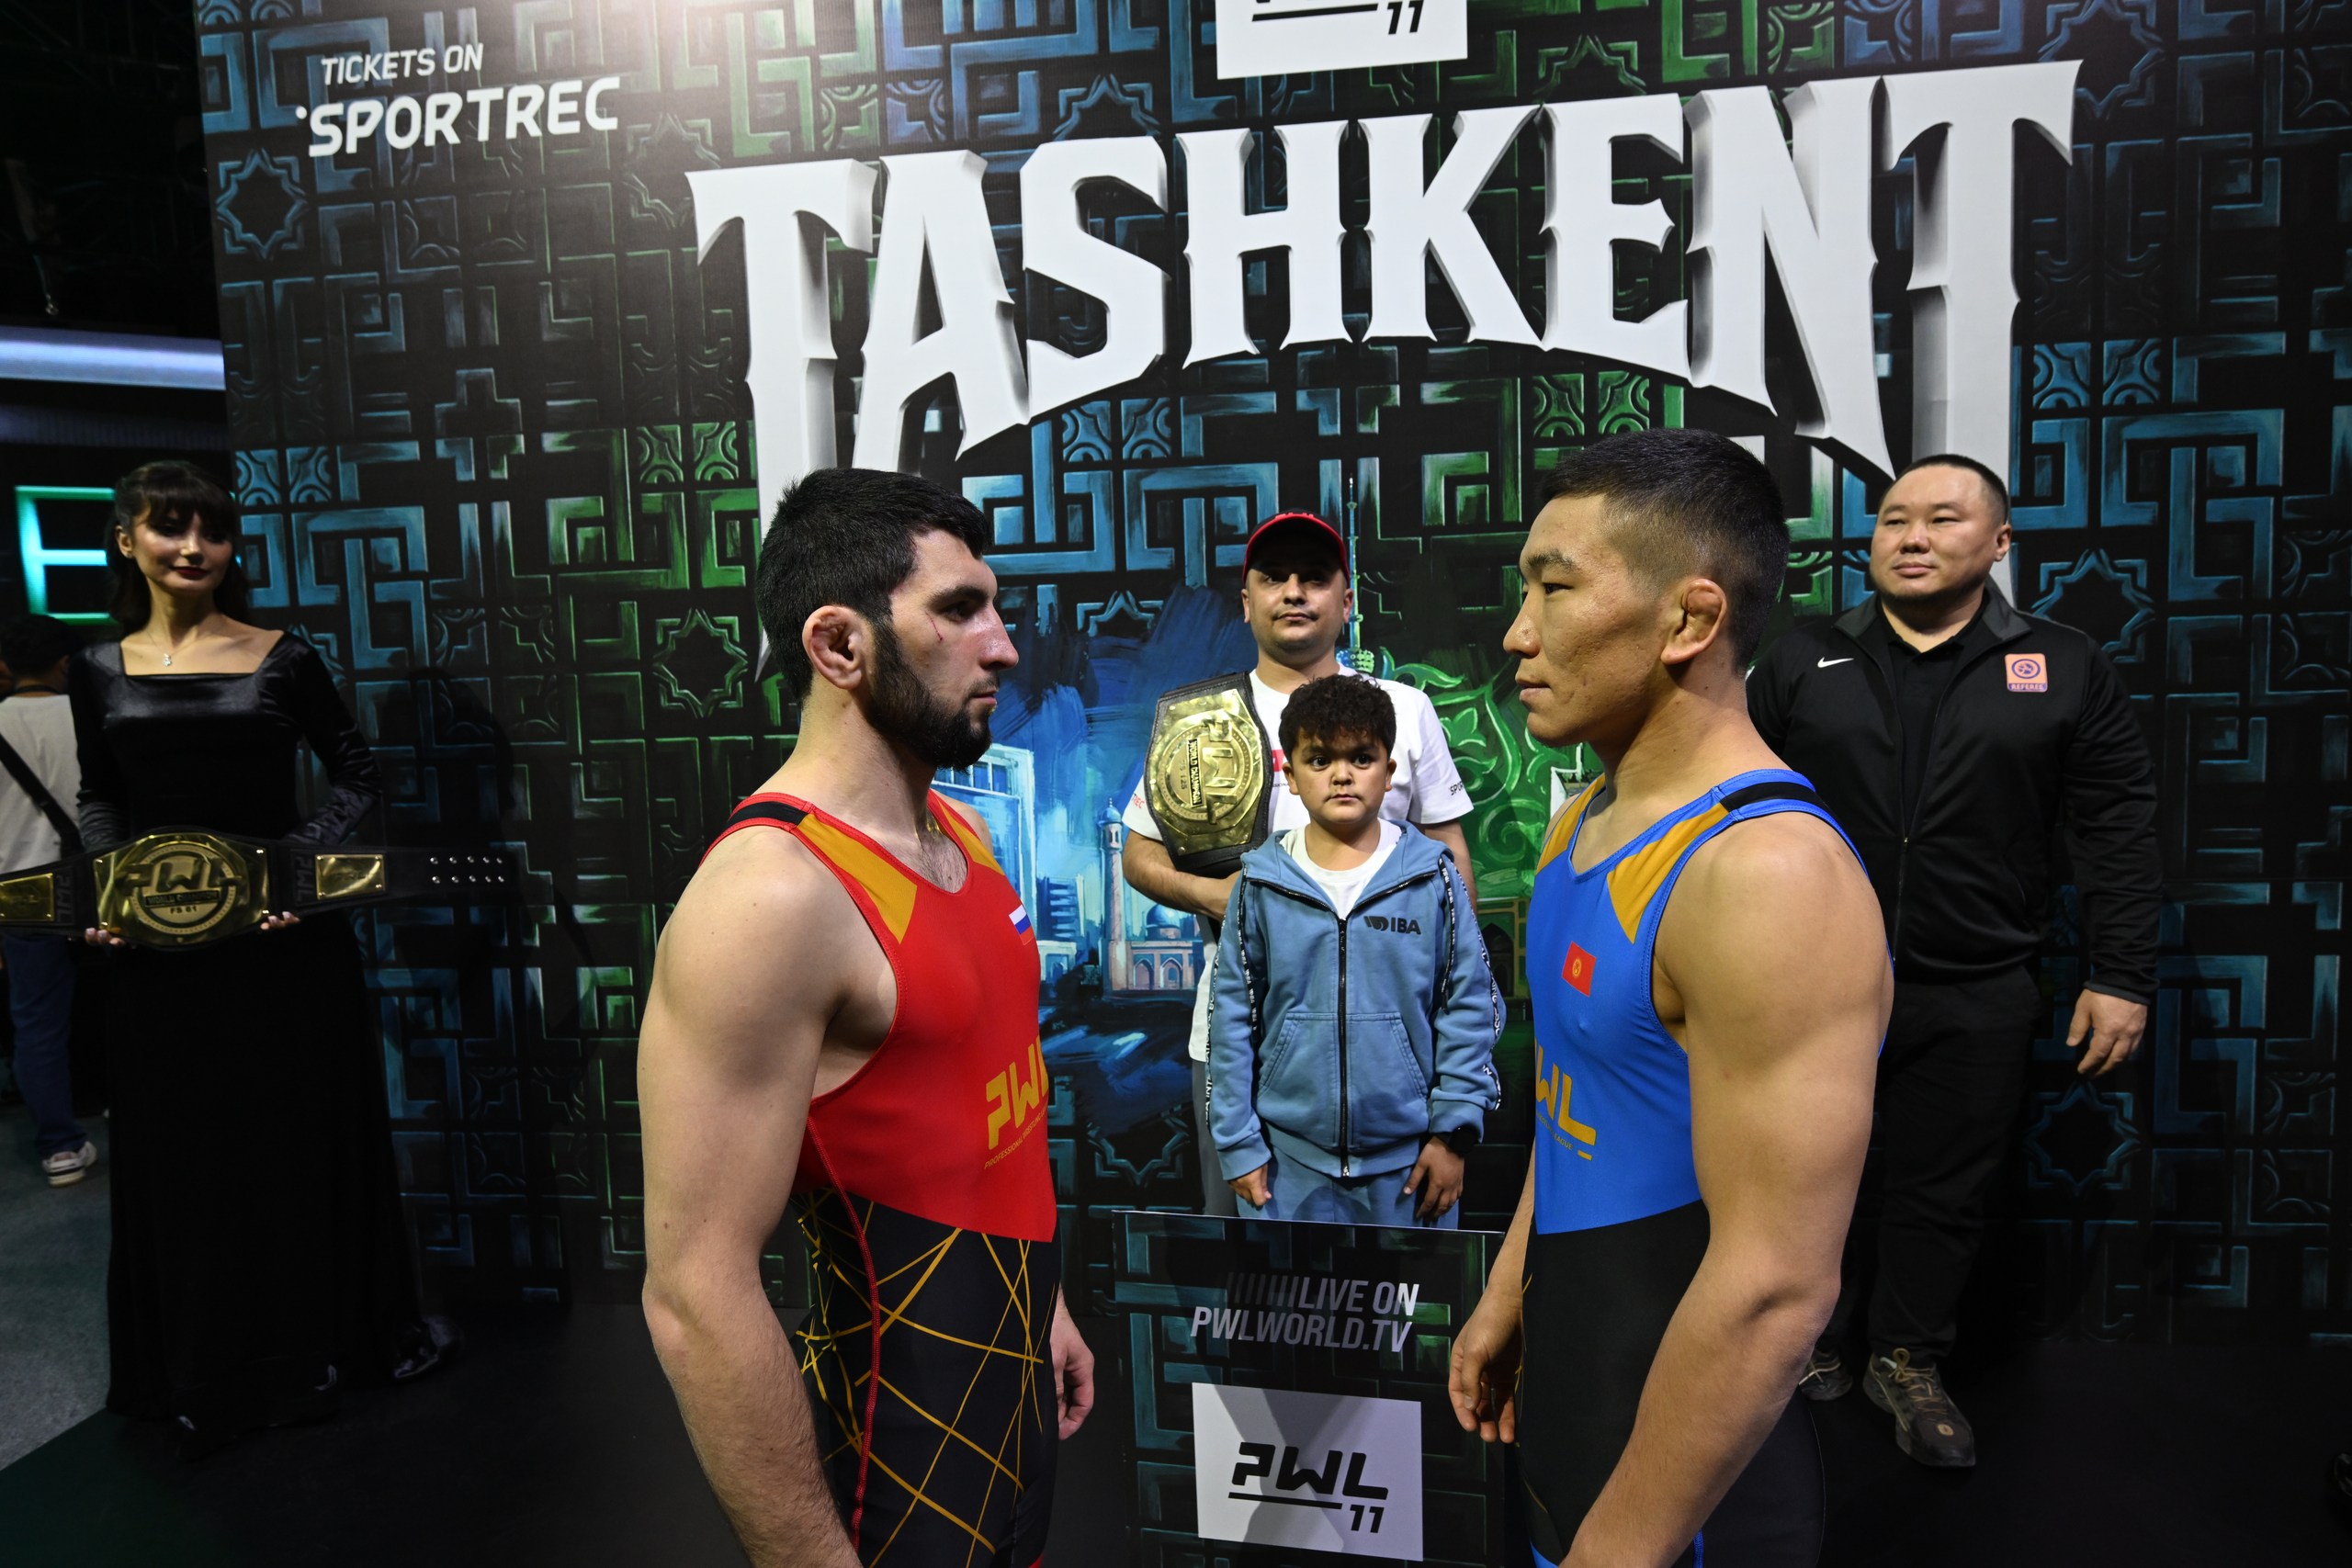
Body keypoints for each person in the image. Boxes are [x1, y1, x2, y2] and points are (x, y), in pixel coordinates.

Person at [1447, 428, 1890, 1568]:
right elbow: (1579, 1102)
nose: (1518, 633)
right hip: (1573, 1397)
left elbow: (1776, 1288)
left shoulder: (1769, 875)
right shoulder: (1578, 824)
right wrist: (1511, 1292)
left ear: (1689, 620)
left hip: (1686, 1505)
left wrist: (1620, 1552)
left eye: (1554, 589)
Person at [639, 467, 1094, 1568]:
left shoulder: (956, 835)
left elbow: (983, 1121)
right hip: (895, 1470)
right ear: (839, 645)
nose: (1003, 647)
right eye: (958, 610)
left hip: (1012, 1397)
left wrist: (1042, 1305)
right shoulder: (769, 898)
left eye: (993, 607)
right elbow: (696, 1294)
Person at [1747, 453, 2162, 1468]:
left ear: (2000, 542)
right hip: (1808, 982)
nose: (1913, 537)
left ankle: (1906, 1357)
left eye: (1941, 519)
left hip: (1978, 982)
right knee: (1800, 1178)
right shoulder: (1802, 657)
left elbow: (2116, 824)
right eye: (1894, 519)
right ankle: (1797, 1347)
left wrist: (2120, 974)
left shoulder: (2063, 664)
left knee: (1944, 1189)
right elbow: (1732, 808)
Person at [73, 460, 443, 1454]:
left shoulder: (283, 658)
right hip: (160, 962)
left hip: (281, 952)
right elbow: (101, 794)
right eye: (169, 527)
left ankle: (310, 1351)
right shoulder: (96, 668)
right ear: (128, 540)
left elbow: (356, 776)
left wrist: (290, 871)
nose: (193, 547)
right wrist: (111, 884)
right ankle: (198, 1364)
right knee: (185, 1163)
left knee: (289, 1149)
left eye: (212, 530)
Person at [1118, 510, 1477, 1214]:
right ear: (1245, 600)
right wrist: (1228, 900)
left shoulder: (1404, 710)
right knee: (1255, 1255)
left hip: (1393, 1040)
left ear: (1346, 601)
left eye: (1314, 578)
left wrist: (1447, 998)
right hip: (1240, 1039)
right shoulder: (1199, 722)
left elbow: (1451, 859)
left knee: (1396, 1263)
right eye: (1273, 578)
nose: (1293, 592)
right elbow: (1138, 855)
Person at [1209, 675, 1501, 1227]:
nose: (1341, 775)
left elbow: (1470, 1005)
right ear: (1290, 775)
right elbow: (1230, 1019)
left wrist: (1453, 1135)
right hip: (1283, 1163)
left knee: (1418, 1287)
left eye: (1361, 758)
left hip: (1414, 1163)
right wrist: (1237, 1141)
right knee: (1283, 1289)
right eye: (1320, 760)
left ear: (1389, 773)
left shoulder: (1433, 877)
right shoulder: (1260, 884)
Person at [0, 615, 92, 1185]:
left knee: (36, 1023)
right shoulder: (92, 715)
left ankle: (60, 1148)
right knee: (128, 1004)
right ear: (65, 663)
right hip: (96, 881)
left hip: (19, 890)